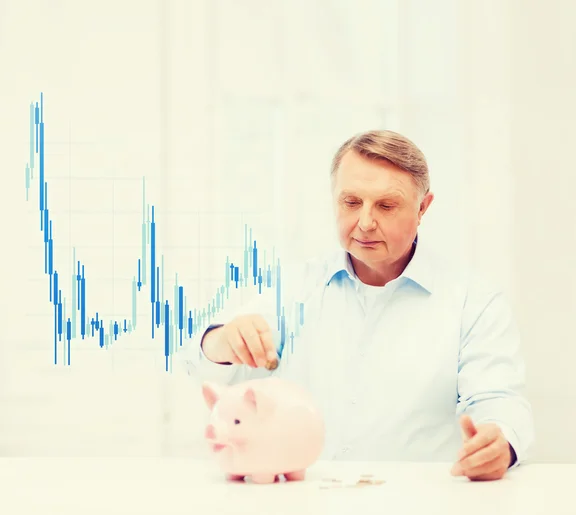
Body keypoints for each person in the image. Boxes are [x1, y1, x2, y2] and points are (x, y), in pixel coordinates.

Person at [179, 130, 534, 481]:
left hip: (420, 505)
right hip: (306, 504)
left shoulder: (473, 302)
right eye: (351, 203)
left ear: (423, 207)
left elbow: (498, 399)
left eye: (386, 205)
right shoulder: (294, 288)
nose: (365, 223)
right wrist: (221, 341)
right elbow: (205, 365)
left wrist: (500, 441)